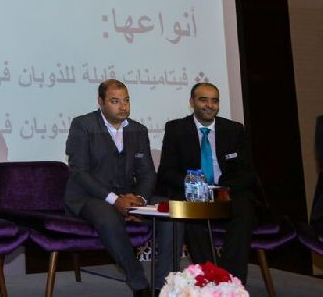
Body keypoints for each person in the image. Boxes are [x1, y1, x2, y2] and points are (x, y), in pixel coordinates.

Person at [157, 82, 259, 283]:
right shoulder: (176, 129)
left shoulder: (234, 129)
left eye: (214, 101)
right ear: (192, 102)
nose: (209, 105)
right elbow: (166, 171)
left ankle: (231, 280)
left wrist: (226, 188)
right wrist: (193, 184)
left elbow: (247, 172)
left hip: (226, 192)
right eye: (203, 100)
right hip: (193, 192)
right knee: (189, 214)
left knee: (245, 208)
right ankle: (210, 276)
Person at [64, 79, 155, 297]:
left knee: (169, 211)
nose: (123, 106)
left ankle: (164, 283)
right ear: (101, 102)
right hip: (88, 197)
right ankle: (139, 284)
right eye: (115, 101)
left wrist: (140, 201)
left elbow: (147, 173)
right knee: (107, 215)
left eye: (126, 100)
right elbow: (79, 172)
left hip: (127, 195)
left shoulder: (138, 129)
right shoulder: (83, 125)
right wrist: (115, 200)